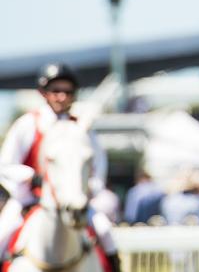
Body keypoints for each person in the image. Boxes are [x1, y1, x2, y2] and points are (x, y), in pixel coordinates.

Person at [0, 63, 121, 271]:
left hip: (74, 199)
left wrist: (89, 186)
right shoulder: (28, 123)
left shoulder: (82, 126)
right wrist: (30, 177)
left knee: (105, 232)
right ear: (44, 93)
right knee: (2, 235)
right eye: (56, 91)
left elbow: (98, 164)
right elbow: (5, 164)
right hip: (30, 199)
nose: (62, 97)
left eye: (67, 92)